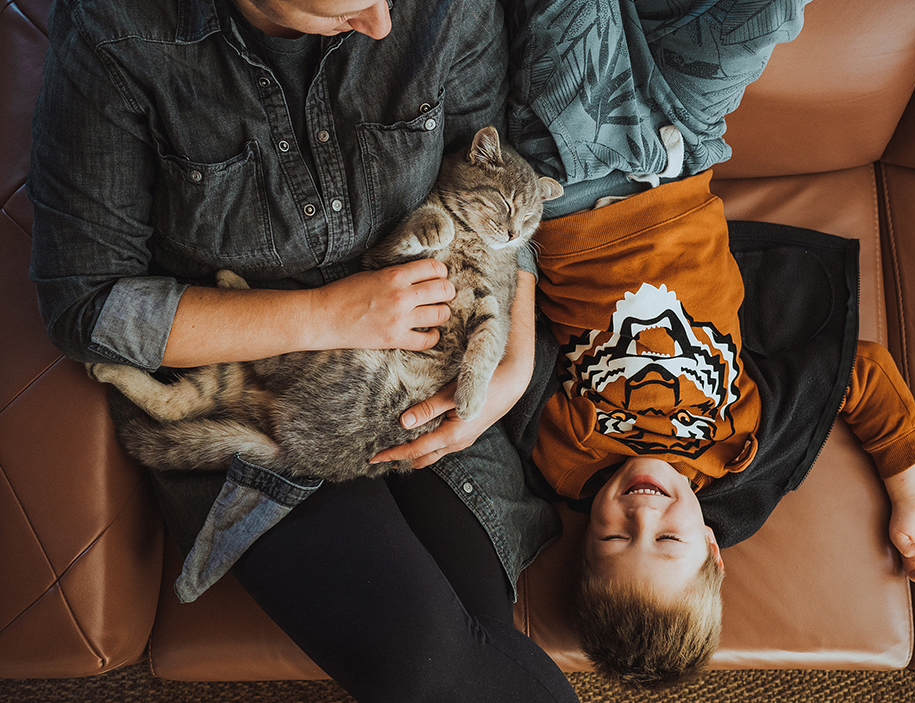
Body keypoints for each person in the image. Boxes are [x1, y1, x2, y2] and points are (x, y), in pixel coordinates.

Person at [29, 0, 579, 701]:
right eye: (347, 8)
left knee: (479, 639)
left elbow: (502, 188)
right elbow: (88, 305)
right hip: (265, 391)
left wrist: (513, 365)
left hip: (435, 370)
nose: (383, 25)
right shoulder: (118, 30)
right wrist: (330, 314)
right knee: (426, 665)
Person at [470, 0, 915, 691]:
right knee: (769, 13)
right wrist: (913, 492)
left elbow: (499, 351)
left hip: (577, 173)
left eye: (614, 538)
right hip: (688, 150)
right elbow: (858, 372)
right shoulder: (740, 440)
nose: (642, 512)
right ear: (712, 546)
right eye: (667, 539)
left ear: (584, 542)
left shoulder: (561, 456)